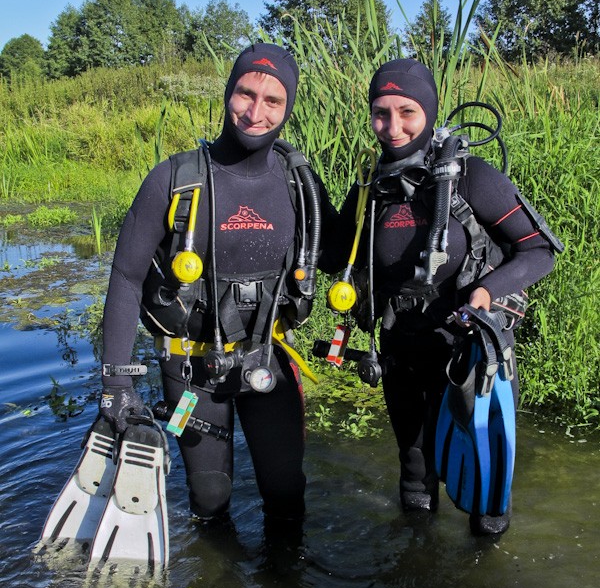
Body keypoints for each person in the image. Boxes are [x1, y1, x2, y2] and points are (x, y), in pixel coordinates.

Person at [99, 42, 338, 530]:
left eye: (273, 101)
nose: (255, 112)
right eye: (245, 94)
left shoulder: (299, 185)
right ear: (228, 93)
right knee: (209, 501)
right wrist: (117, 385)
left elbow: (342, 252)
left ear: (288, 107)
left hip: (267, 358)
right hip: (189, 369)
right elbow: (125, 277)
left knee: (287, 495)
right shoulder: (174, 179)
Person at [334, 59, 558, 535]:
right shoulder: (372, 185)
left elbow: (540, 251)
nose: (392, 127)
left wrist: (486, 290)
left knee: (486, 480)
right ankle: (418, 569)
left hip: (472, 356)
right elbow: (335, 251)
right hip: (402, 352)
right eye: (380, 113)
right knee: (414, 469)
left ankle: (483, 587)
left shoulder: (471, 176)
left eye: (407, 111)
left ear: (430, 112)